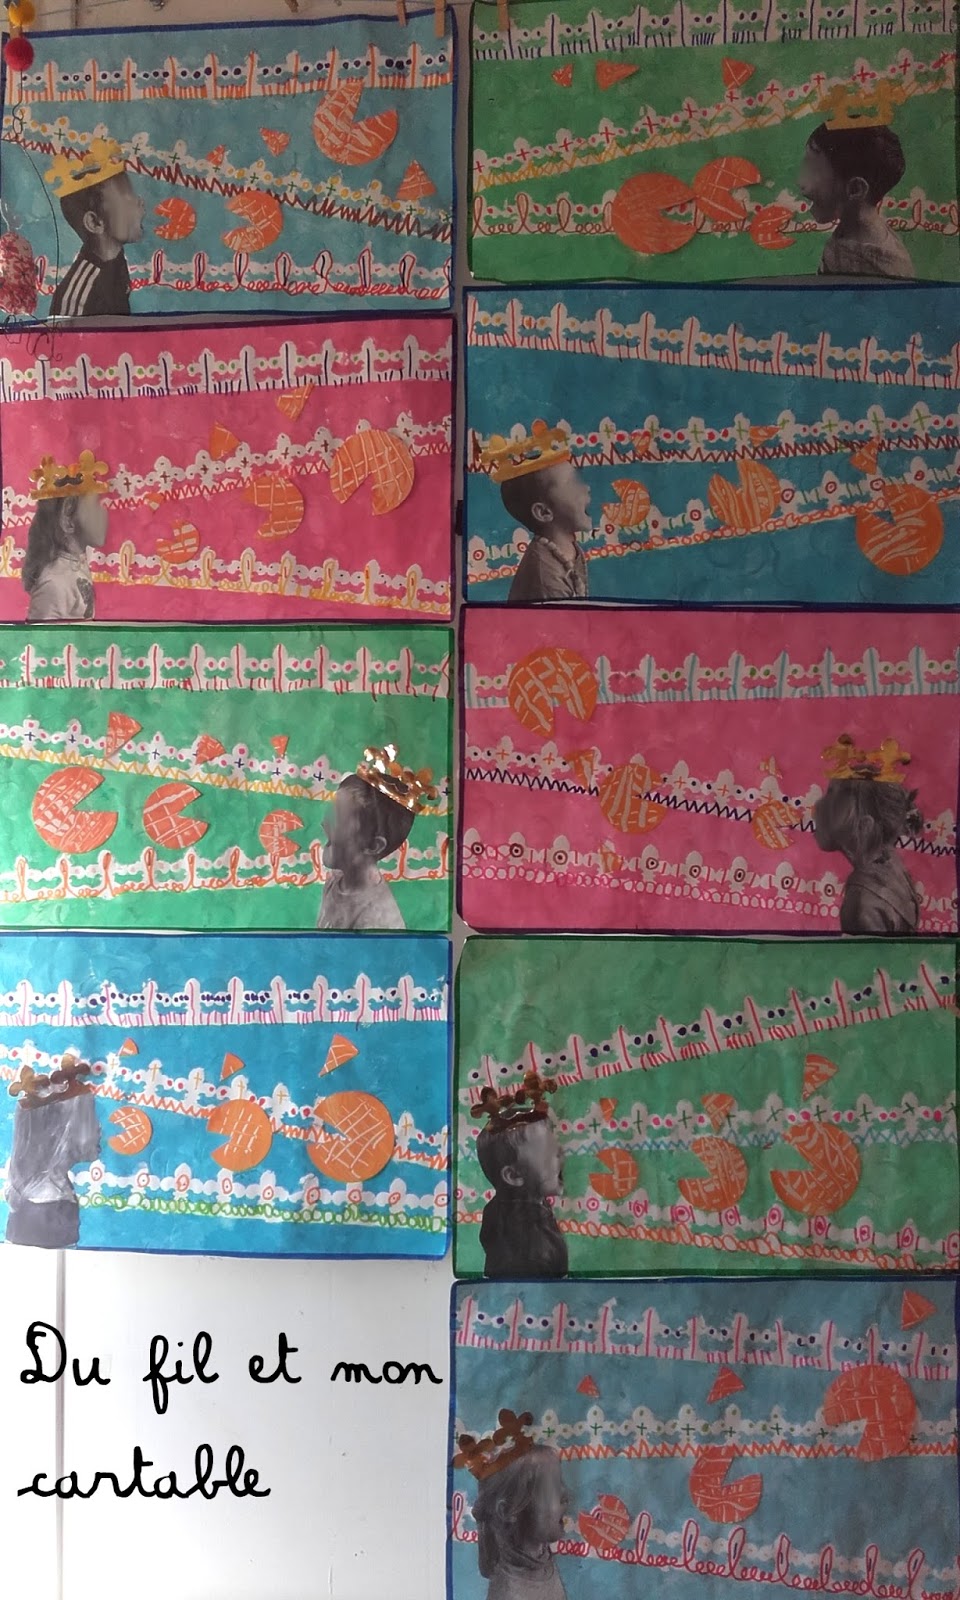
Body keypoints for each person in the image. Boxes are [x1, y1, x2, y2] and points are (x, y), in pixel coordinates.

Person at [317, 744, 436, 931]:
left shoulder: (377, 918)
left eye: (340, 817)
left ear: (373, 845)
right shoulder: (334, 882)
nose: (325, 823)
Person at [813, 733, 922, 934]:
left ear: (864, 826)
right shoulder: (892, 866)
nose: (818, 807)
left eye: (832, 799)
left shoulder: (862, 902)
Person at [454, 1412, 569, 1600]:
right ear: (507, 1510)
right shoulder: (511, 1592)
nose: (565, 1496)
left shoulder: (541, 1561)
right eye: (550, 1487)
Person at [481, 422, 591, 604]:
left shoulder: (568, 551)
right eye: (572, 483)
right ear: (544, 512)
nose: (586, 487)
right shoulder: (545, 576)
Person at [473, 1073, 568, 1279]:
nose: (560, 1152)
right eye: (548, 1150)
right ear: (514, 1175)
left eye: (556, 1145)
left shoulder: (529, 1210)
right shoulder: (528, 1243)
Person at [5, 1054, 100, 1249]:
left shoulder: (24, 1125)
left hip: (23, 1217)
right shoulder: (70, 1110)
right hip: (54, 1212)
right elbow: (88, 1148)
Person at [798, 118, 914, 279]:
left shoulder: (878, 269)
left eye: (814, 170)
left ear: (855, 189)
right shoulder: (851, 234)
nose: (801, 183)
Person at [45, 137, 145, 318]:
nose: (139, 202)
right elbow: (65, 335)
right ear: (95, 223)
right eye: (126, 200)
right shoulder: (77, 295)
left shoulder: (117, 261)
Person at [22, 450, 109, 622]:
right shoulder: (54, 583)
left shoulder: (74, 567)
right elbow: (41, 637)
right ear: (67, 517)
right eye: (94, 505)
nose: (103, 513)